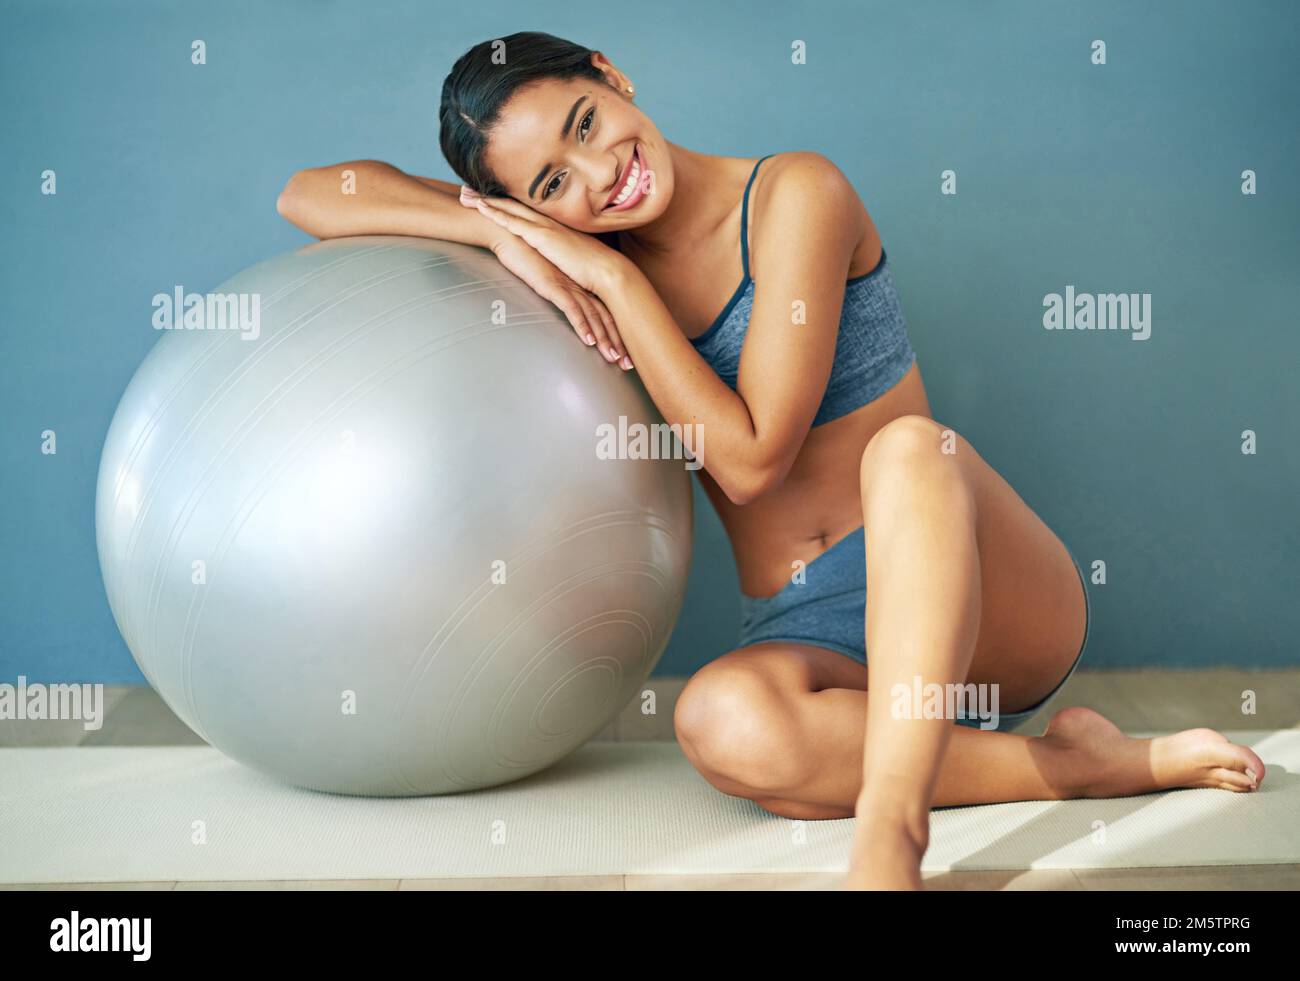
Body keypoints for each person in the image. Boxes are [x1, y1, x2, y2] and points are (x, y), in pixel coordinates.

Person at [276, 31, 1265, 890]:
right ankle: (1076, 767)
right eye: (549, 188)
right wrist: (499, 234)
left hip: (979, 589)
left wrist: (614, 281)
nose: (595, 176)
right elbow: (310, 192)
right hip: (814, 632)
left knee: (911, 451)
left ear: (613, 76)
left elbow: (750, 459)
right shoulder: (573, 246)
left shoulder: (795, 192)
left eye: (584, 124)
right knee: (719, 721)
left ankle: (890, 832)